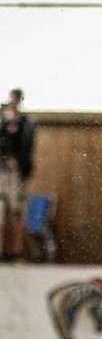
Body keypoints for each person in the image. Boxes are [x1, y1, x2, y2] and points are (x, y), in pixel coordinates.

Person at [0, 89, 36, 261]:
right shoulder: (2, 119)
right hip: (2, 172)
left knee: (16, 211)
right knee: (1, 212)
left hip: (16, 174)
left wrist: (18, 162)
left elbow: (27, 147)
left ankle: (17, 252)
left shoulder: (25, 122)